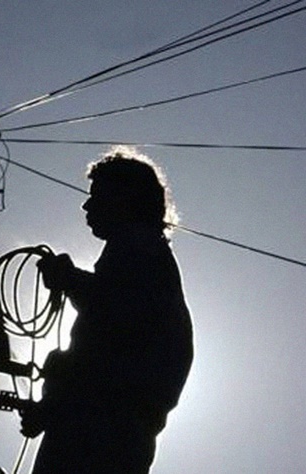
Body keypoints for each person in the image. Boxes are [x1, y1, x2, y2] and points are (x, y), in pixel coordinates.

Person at [20, 147, 194, 473]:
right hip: (107, 430)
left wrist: (70, 280)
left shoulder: (139, 249)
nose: (87, 205)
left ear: (124, 198)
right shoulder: (141, 255)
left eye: (97, 195)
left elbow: (120, 317)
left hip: (100, 434)